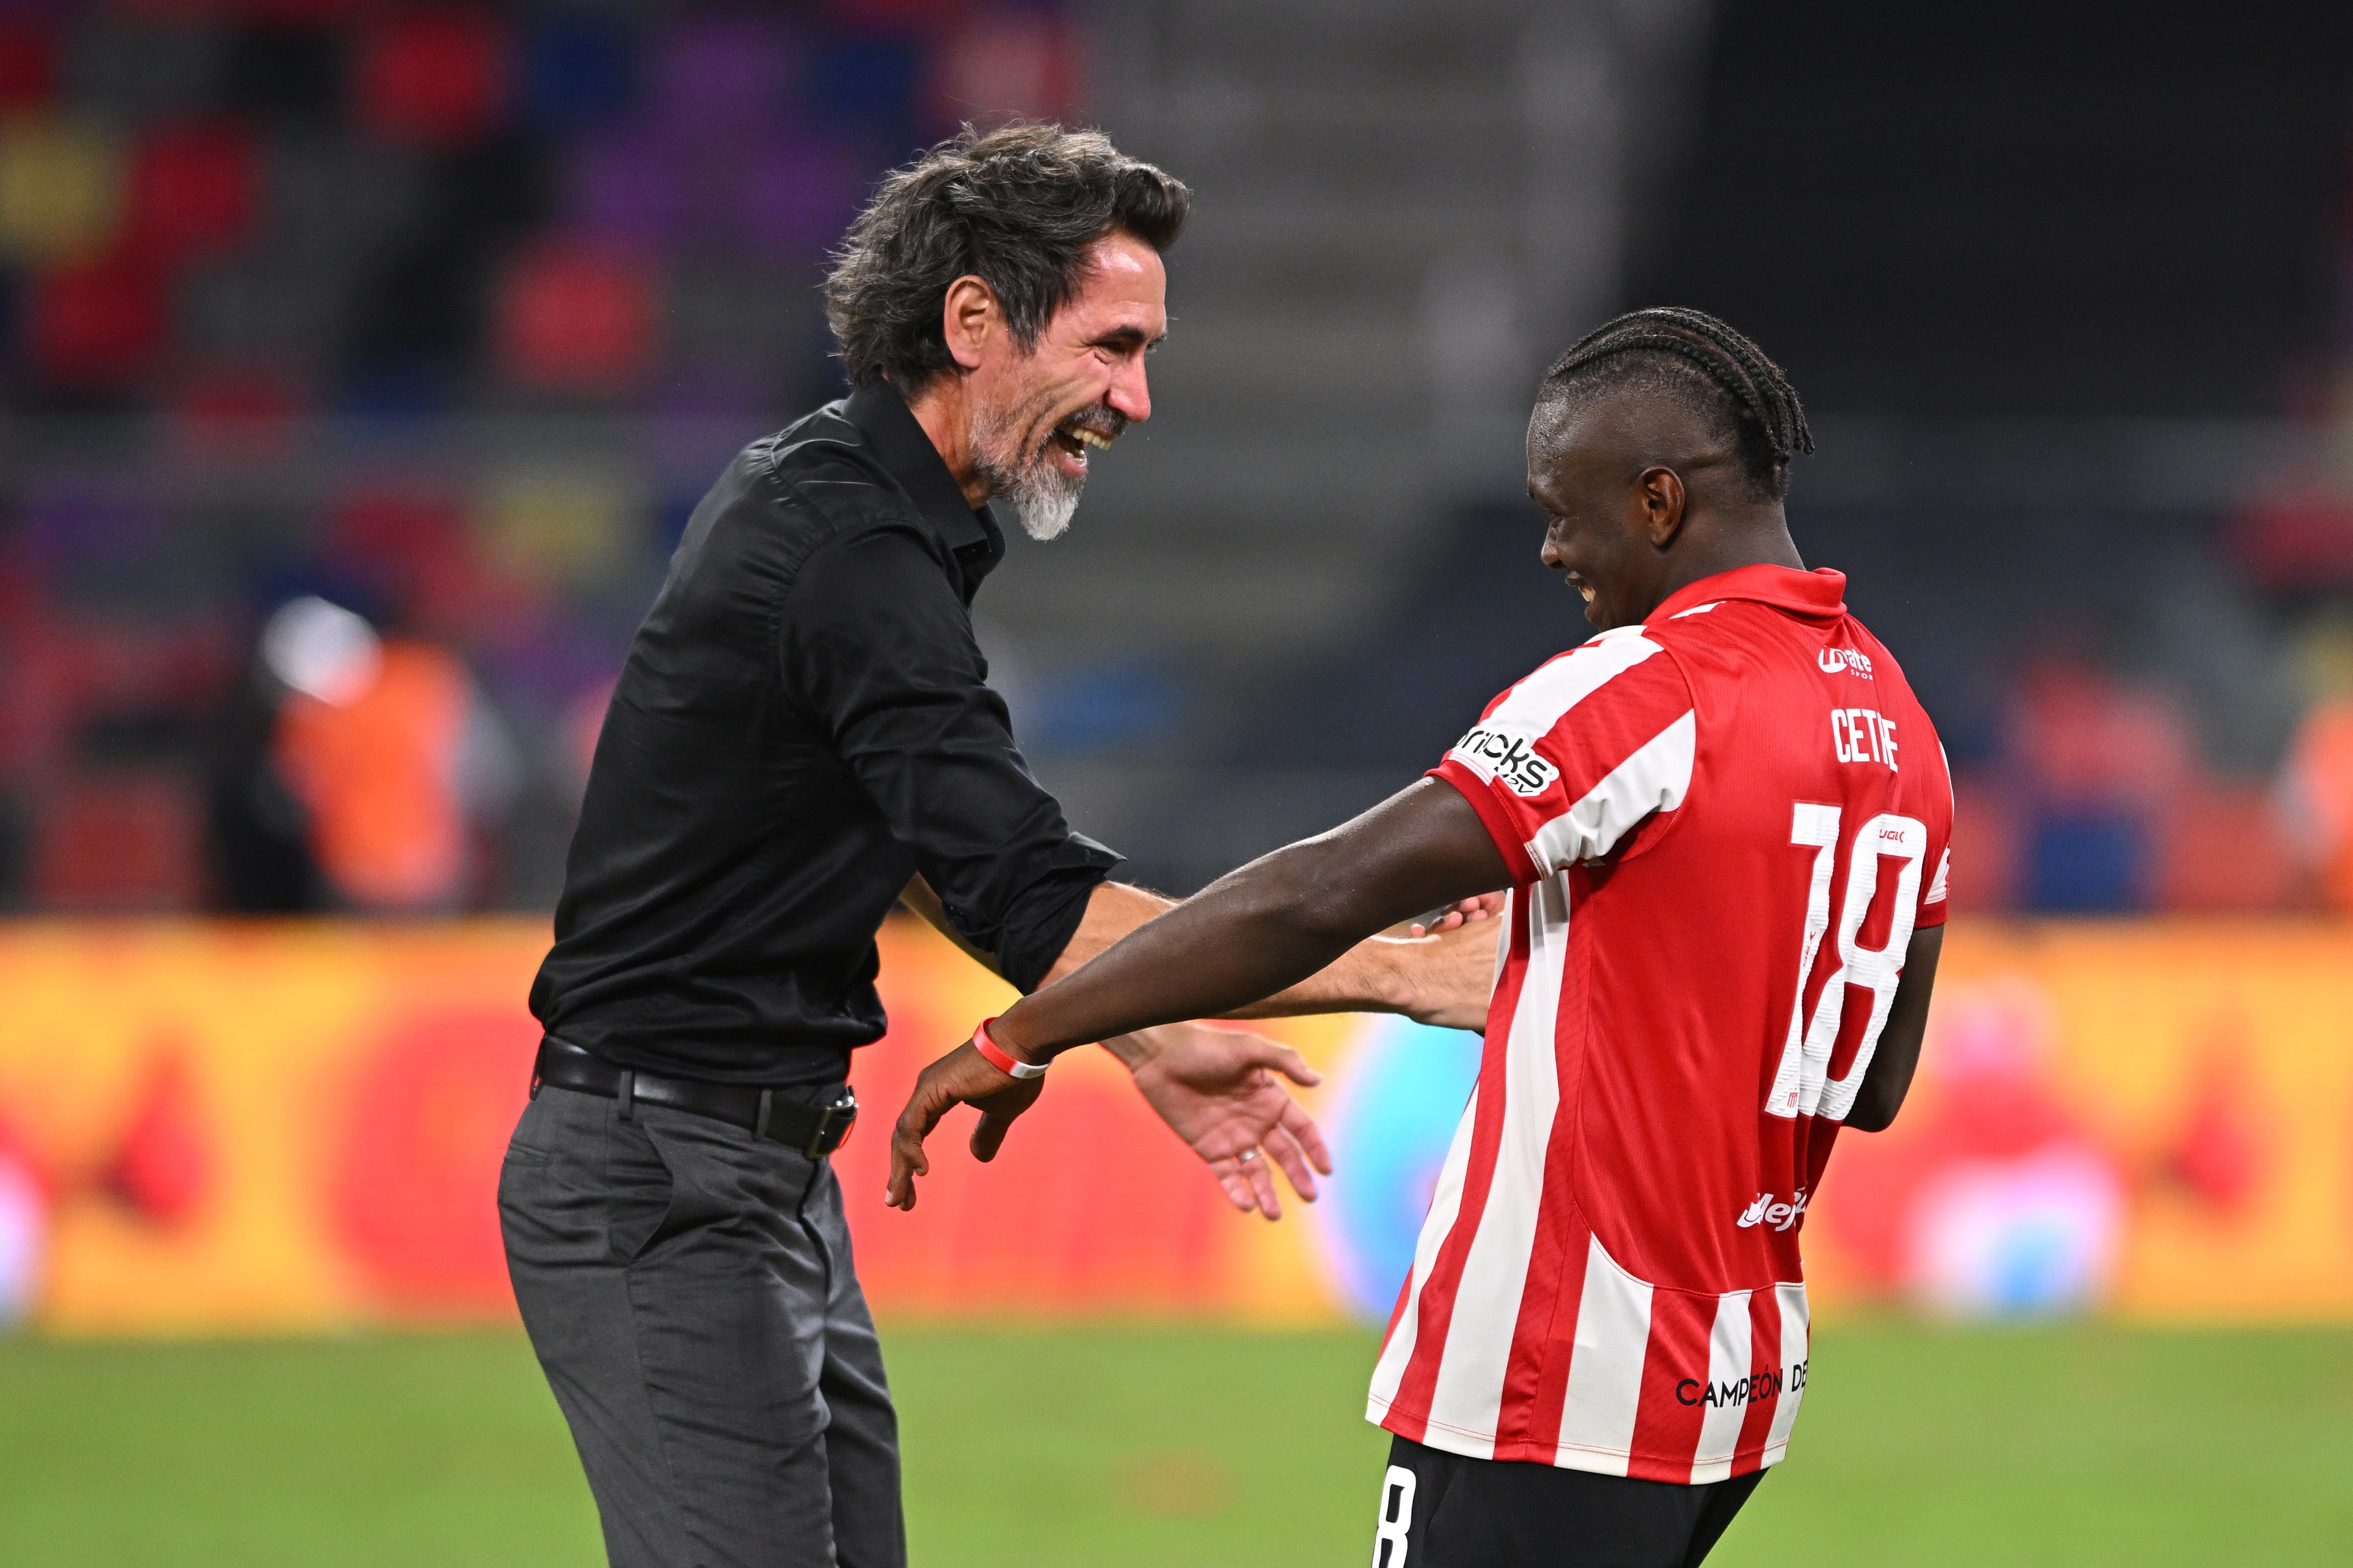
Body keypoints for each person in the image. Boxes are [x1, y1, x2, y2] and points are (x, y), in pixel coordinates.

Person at [498, 122, 1491, 1568]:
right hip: (667, 1175)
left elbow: (924, 839)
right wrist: (1399, 968)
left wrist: (1147, 1037)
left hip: (750, 1168)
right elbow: (1028, 890)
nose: (1136, 398)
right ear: (973, 320)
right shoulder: (850, 550)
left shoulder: (860, 508)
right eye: (1110, 345)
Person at [889, 307, 1955, 1568]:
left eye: (1565, 509)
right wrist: (1595, 955)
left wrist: (1028, 1030)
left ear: (1659, 500)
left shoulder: (1642, 687)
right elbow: (1871, 1083)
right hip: (1731, 1373)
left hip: (1551, 1365)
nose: (1556, 550)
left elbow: (1317, 891)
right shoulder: (1899, 725)